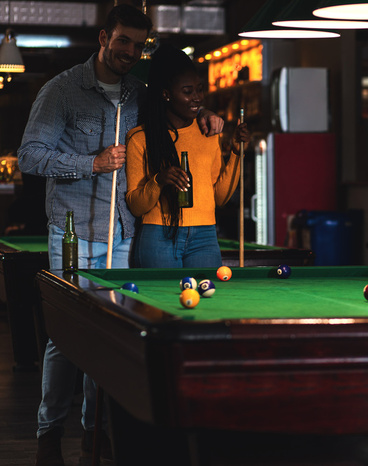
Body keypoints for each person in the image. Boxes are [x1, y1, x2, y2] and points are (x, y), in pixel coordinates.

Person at [16, 5, 223, 466]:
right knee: (65, 338)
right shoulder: (63, 91)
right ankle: (49, 432)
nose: (130, 51)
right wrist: (90, 163)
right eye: (123, 41)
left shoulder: (140, 93)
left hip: (126, 234)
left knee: (110, 340)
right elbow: (29, 156)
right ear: (104, 37)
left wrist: (205, 111)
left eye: (139, 44)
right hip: (74, 233)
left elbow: (178, 107)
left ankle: (96, 430)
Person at [125, 45, 249, 268]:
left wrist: (236, 153)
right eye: (188, 91)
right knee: (159, 304)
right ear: (166, 94)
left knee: (206, 301)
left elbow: (220, 198)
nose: (197, 98)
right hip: (158, 236)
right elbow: (135, 206)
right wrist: (159, 180)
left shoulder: (208, 133)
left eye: (200, 90)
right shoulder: (140, 138)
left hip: (205, 237)